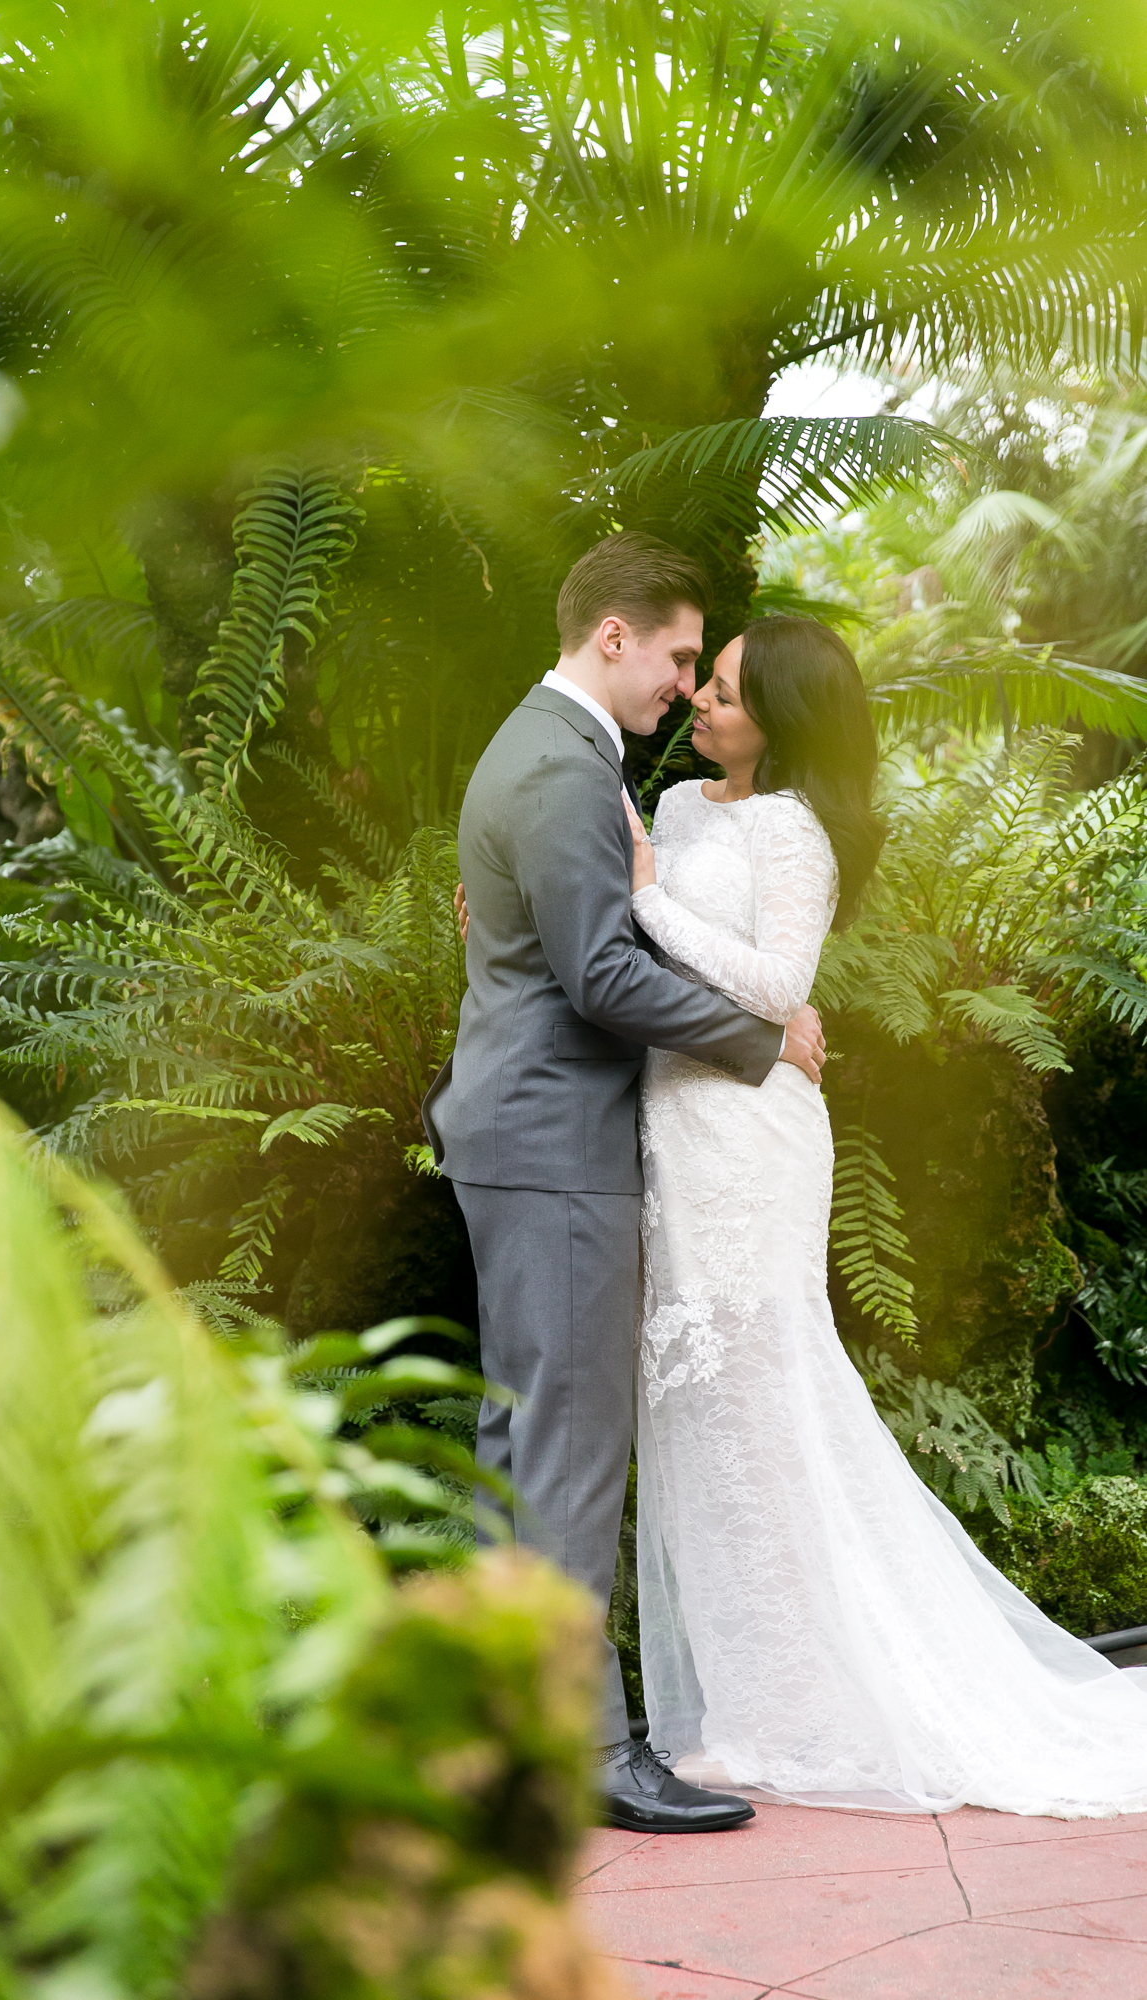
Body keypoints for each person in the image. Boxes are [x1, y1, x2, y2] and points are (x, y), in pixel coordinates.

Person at [621, 612, 1147, 1817]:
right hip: (676, 1134)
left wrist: (650, 899)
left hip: (752, 1140)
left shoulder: (795, 832)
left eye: (730, 693)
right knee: (699, 1411)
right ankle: (753, 1700)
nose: (701, 700)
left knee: (761, 1399)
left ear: (787, 723)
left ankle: (815, 1704)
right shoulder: (691, 809)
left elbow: (775, 986)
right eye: (707, 680)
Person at [421, 534, 827, 1833]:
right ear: (611, 635)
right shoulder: (555, 766)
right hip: (554, 1146)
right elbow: (599, 974)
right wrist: (764, 1040)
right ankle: (589, 1748)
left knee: (518, 1446)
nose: (682, 684)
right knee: (570, 1453)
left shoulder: (545, 754)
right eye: (674, 657)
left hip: (521, 1135)